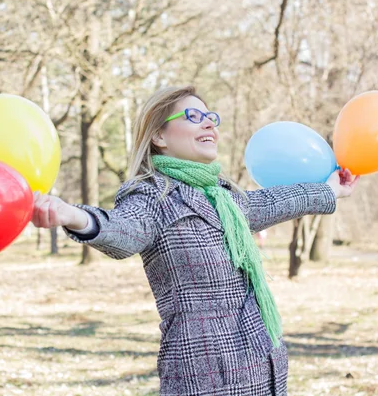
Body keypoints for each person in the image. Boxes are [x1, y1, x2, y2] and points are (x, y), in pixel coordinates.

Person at [32, 86, 358, 396]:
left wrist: (331, 189)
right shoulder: (152, 195)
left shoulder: (226, 198)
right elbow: (123, 230)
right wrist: (73, 216)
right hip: (203, 373)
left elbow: (274, 201)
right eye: (192, 116)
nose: (208, 123)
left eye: (210, 117)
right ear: (159, 136)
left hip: (262, 365)